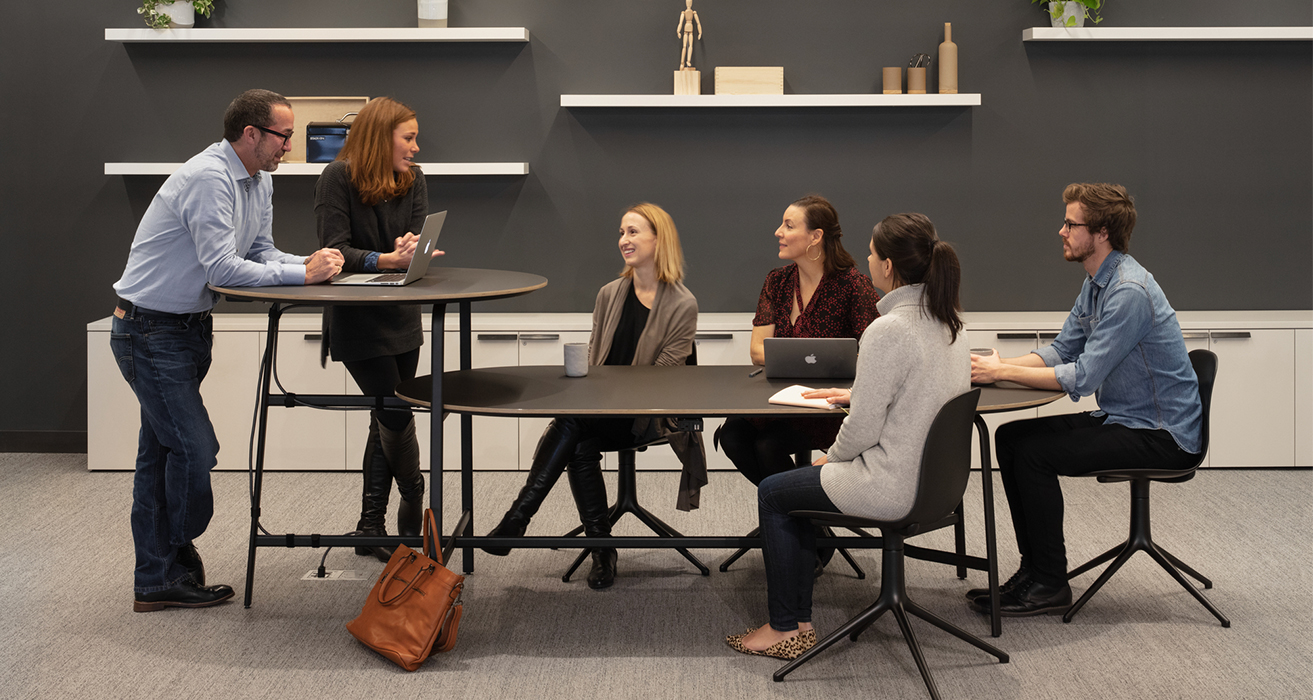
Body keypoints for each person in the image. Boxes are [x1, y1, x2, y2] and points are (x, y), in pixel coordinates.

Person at [111, 89, 345, 612]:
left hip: (187, 329)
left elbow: (258, 253)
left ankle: (156, 580)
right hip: (148, 331)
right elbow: (220, 268)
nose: (290, 146)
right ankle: (177, 551)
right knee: (195, 450)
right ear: (251, 135)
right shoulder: (208, 178)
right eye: (284, 136)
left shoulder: (256, 180)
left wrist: (309, 263)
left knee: (159, 455)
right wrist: (300, 276)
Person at [726, 212, 969, 659]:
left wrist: (829, 460)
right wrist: (857, 392)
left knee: (774, 493)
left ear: (889, 266)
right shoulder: (948, 320)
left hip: (891, 482)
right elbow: (909, 394)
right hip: (937, 483)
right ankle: (797, 606)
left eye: (874, 253)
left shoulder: (888, 329)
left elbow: (861, 430)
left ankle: (787, 627)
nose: (869, 260)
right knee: (782, 477)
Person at [968, 183, 1201, 617]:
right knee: (1013, 439)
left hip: (1160, 434)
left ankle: (1051, 584)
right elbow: (1062, 349)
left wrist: (1001, 372)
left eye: (1071, 224)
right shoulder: (1097, 283)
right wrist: (999, 363)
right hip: (1124, 417)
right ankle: (1034, 570)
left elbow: (1084, 374)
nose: (1061, 231)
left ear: (1102, 232)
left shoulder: (1128, 291)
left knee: (1035, 454)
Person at [482, 203, 704, 590]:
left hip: (646, 416)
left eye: (633, 232)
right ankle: (600, 547)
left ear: (659, 238)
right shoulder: (609, 293)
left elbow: (663, 380)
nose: (623, 240)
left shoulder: (683, 304)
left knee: (571, 425)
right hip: (596, 409)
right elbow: (593, 355)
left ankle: (522, 518)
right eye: (621, 232)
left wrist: (601, 393)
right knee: (578, 439)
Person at [314, 97, 442, 562]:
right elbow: (332, 250)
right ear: (379, 136)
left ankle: (370, 526)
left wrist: (410, 248)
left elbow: (409, 240)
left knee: (384, 412)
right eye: (408, 138)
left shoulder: (414, 179)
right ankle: (414, 493)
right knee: (394, 410)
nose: (416, 147)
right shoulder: (337, 177)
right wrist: (385, 259)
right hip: (355, 316)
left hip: (402, 315)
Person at [716, 195, 879, 488]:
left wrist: (788, 356)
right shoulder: (776, 282)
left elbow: (873, 354)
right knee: (731, 436)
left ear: (816, 237)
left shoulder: (854, 286)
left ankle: (793, 518)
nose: (778, 232)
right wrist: (819, 358)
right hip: (779, 396)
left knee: (768, 446)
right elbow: (756, 351)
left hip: (828, 403)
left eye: (788, 226)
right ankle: (796, 520)